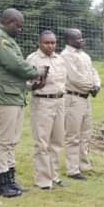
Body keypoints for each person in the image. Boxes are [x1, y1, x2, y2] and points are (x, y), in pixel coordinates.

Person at [0, 8, 38, 196]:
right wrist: (36, 71)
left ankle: (11, 179)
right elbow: (13, 64)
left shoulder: (6, 38)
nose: (20, 30)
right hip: (4, 95)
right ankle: (2, 182)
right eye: (19, 25)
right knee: (4, 141)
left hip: (14, 94)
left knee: (12, 141)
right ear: (9, 21)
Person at [27, 30, 67, 190]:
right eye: (47, 43)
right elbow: (26, 81)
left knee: (57, 141)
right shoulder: (33, 59)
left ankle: (54, 176)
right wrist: (34, 85)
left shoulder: (60, 59)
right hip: (43, 102)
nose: (50, 46)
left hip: (59, 101)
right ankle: (43, 179)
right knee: (42, 142)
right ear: (40, 43)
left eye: (53, 43)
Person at [61, 28, 101, 180]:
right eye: (78, 38)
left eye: (81, 37)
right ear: (69, 40)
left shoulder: (84, 56)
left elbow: (93, 71)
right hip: (73, 98)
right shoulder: (66, 56)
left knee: (85, 133)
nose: (81, 40)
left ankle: (84, 164)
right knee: (73, 135)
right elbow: (74, 78)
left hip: (86, 99)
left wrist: (97, 84)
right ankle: (72, 169)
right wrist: (91, 87)